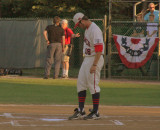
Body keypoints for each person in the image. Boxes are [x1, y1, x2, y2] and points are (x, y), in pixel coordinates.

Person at [68, 13, 104, 120]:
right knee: (81, 83)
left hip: (94, 58)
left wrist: (94, 64)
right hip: (87, 58)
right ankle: (81, 110)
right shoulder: (87, 29)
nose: (79, 27)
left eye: (78, 25)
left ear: (82, 21)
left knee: (93, 85)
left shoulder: (95, 29)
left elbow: (99, 49)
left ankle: (95, 112)